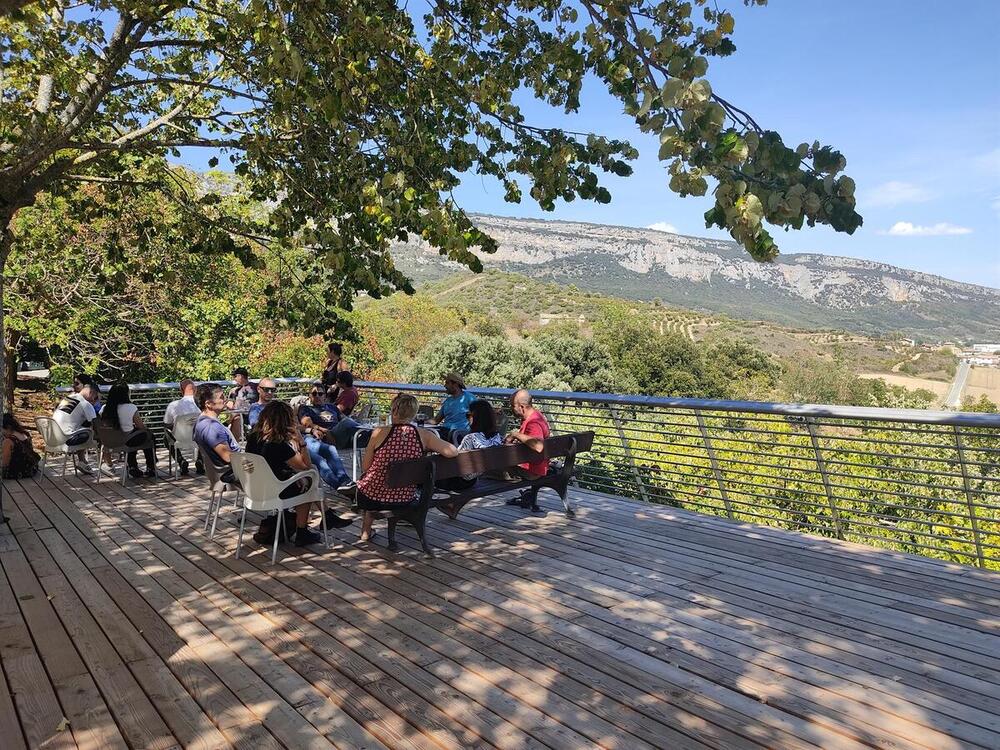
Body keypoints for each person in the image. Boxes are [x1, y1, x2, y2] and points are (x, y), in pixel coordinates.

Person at [355, 393, 458, 543]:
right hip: (404, 497)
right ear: (414, 413)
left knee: (370, 482)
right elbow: (452, 451)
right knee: (387, 485)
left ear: (393, 410)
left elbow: (365, 467)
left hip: (372, 498)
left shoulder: (378, 432)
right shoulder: (424, 435)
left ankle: (366, 531)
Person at [246, 401, 326, 546]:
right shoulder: (278, 444)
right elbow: (305, 466)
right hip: (275, 491)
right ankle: (303, 531)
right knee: (311, 476)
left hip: (254, 489)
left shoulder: (253, 438)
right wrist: (301, 441)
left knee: (308, 476)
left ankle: (326, 515)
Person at [298, 384, 354, 528]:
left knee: (332, 448)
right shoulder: (306, 408)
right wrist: (319, 429)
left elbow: (345, 420)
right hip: (314, 437)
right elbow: (305, 423)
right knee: (323, 458)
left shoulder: (332, 407)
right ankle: (345, 486)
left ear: (325, 395)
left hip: (336, 436)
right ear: (310, 396)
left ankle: (346, 483)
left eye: (320, 393)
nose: (317, 396)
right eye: (314, 394)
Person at [436, 399, 504, 518]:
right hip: (475, 478)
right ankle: (452, 508)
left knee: (427, 475)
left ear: (477, 417)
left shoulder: (470, 438)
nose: (467, 418)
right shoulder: (496, 436)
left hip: (459, 481)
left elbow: (456, 464)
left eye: (469, 415)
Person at [504, 389, 550, 512]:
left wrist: (515, 435)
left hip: (532, 472)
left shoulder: (533, 422)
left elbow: (539, 446)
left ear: (522, 406)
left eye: (513, 406)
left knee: (489, 467)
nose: (511, 408)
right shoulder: (537, 415)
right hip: (537, 466)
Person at [100, 383, 157, 478]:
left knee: (132, 435)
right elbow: (140, 426)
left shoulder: (104, 409)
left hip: (109, 441)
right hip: (127, 440)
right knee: (148, 435)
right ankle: (150, 467)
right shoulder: (130, 407)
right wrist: (147, 431)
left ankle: (132, 466)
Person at [193, 382, 241, 485]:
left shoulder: (204, 421)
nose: (225, 400)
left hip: (229, 470)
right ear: (209, 404)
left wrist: (235, 419)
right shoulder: (211, 427)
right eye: (221, 397)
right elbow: (228, 457)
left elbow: (233, 443)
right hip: (230, 474)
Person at [52, 384, 100, 474]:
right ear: (91, 393)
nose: (95, 400)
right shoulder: (86, 404)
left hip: (53, 436)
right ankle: (84, 462)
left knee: (81, 428)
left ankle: (82, 462)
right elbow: (96, 424)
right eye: (95, 397)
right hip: (66, 439)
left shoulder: (68, 398)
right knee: (88, 432)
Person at [164, 378, 200, 475]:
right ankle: (200, 460)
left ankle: (180, 460)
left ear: (181, 390)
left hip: (178, 439)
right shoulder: (201, 406)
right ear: (195, 390)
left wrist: (178, 426)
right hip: (197, 439)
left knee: (166, 437)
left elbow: (166, 423)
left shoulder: (173, 405)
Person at [431, 372, 475, 442]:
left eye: (447, 383)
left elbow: (479, 417)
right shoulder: (448, 401)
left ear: (455, 384)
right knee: (424, 435)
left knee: (428, 438)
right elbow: (436, 420)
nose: (445, 386)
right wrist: (420, 421)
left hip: (458, 435)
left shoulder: (469, 398)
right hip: (444, 432)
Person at [2, 413, 39, 479]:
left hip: (18, 471)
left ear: (8, 428)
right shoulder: (25, 433)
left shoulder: (8, 441)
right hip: (31, 468)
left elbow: (4, 464)